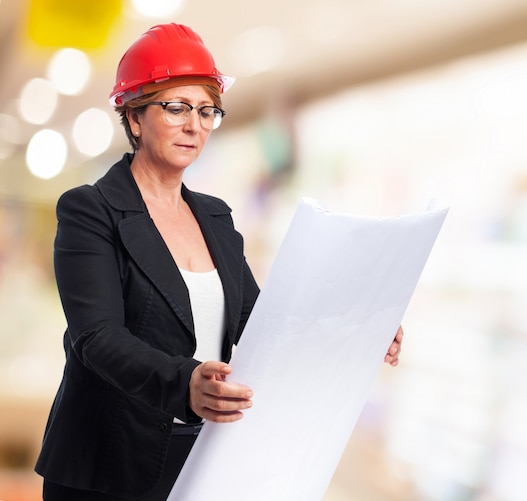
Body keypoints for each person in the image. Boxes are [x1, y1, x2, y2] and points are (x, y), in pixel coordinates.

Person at [35, 23, 404, 500]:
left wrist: (355, 332)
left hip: (201, 452)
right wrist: (184, 381)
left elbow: (260, 325)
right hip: (106, 463)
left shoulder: (215, 216)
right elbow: (97, 338)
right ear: (133, 117)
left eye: (208, 110)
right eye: (177, 107)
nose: (196, 125)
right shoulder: (90, 209)